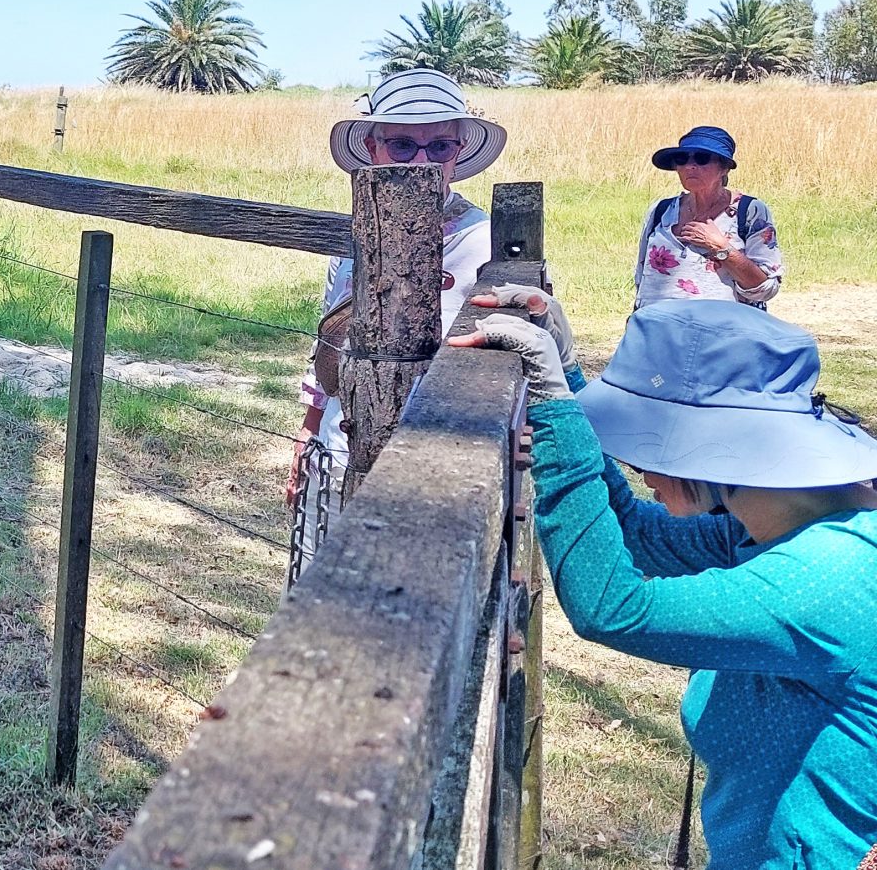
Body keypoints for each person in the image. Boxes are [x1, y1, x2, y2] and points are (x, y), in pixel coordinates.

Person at [453, 291, 877, 868]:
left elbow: (615, 606)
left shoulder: (828, 577)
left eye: (650, 438)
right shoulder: (791, 518)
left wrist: (553, 408)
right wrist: (567, 374)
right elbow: (638, 535)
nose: (636, 463)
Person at [290, 69, 509, 568]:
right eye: (404, 145)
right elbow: (327, 345)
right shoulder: (349, 237)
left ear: (458, 152)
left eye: (439, 148)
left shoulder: (484, 242)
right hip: (343, 439)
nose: (424, 162)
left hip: (438, 449)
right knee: (320, 577)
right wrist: (308, 430)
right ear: (373, 147)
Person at [635, 125, 783, 311]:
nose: (690, 166)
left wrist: (721, 248)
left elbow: (765, 289)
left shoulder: (750, 212)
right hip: (659, 328)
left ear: (724, 168)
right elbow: (641, 277)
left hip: (721, 331)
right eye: (682, 159)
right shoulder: (661, 210)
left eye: (702, 158)